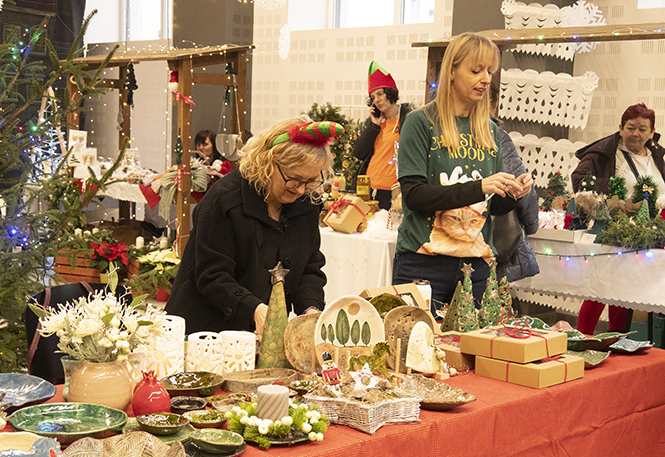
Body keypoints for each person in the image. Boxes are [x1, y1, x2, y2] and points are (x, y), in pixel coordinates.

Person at [392, 32, 532, 310]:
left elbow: (490, 207)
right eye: (476, 70)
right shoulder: (420, 123)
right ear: (452, 71)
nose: (486, 79)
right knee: (416, 338)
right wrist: (479, 187)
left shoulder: (490, 131)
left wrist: (512, 193)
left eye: (490, 71)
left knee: (476, 339)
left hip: (476, 268)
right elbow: (415, 196)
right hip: (423, 263)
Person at [166, 118, 344, 335]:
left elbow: (308, 267)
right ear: (268, 163)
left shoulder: (306, 203)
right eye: (294, 179)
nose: (300, 189)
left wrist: (311, 308)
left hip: (262, 334)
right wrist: (254, 309)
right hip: (206, 329)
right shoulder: (224, 201)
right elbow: (212, 276)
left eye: (311, 181)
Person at [571, 103, 665, 335]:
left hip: (650, 234)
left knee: (624, 290)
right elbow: (580, 180)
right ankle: (582, 338)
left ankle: (617, 341)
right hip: (614, 230)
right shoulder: (606, 152)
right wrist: (610, 203)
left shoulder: (657, 156)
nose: (636, 134)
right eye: (631, 127)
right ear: (621, 127)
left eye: (643, 129)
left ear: (652, 132)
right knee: (600, 288)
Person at [488, 85, 539, 283]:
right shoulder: (496, 137)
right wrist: (532, 225)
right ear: (492, 104)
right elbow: (522, 191)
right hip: (491, 245)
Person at [353, 61, 411, 211]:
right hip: (369, 188)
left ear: (390, 93)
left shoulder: (408, 118)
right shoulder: (373, 122)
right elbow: (359, 153)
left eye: (380, 94)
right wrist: (373, 126)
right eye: (373, 97)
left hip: (395, 190)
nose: (376, 100)